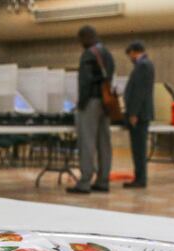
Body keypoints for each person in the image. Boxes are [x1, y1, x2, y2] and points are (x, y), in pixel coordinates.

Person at [67, 25, 115, 195]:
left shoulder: (88, 54)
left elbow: (85, 81)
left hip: (91, 102)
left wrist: (81, 104)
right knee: (104, 142)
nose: (80, 44)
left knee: (87, 142)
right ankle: (103, 180)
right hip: (106, 102)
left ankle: (85, 181)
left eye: (81, 40)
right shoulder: (107, 53)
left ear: (85, 37)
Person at [123, 41, 154, 188]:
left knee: (139, 149)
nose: (130, 58)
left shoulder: (143, 65)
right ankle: (139, 178)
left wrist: (133, 113)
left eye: (130, 55)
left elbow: (139, 92)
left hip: (139, 115)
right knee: (138, 148)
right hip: (141, 114)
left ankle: (140, 179)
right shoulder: (144, 65)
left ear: (135, 52)